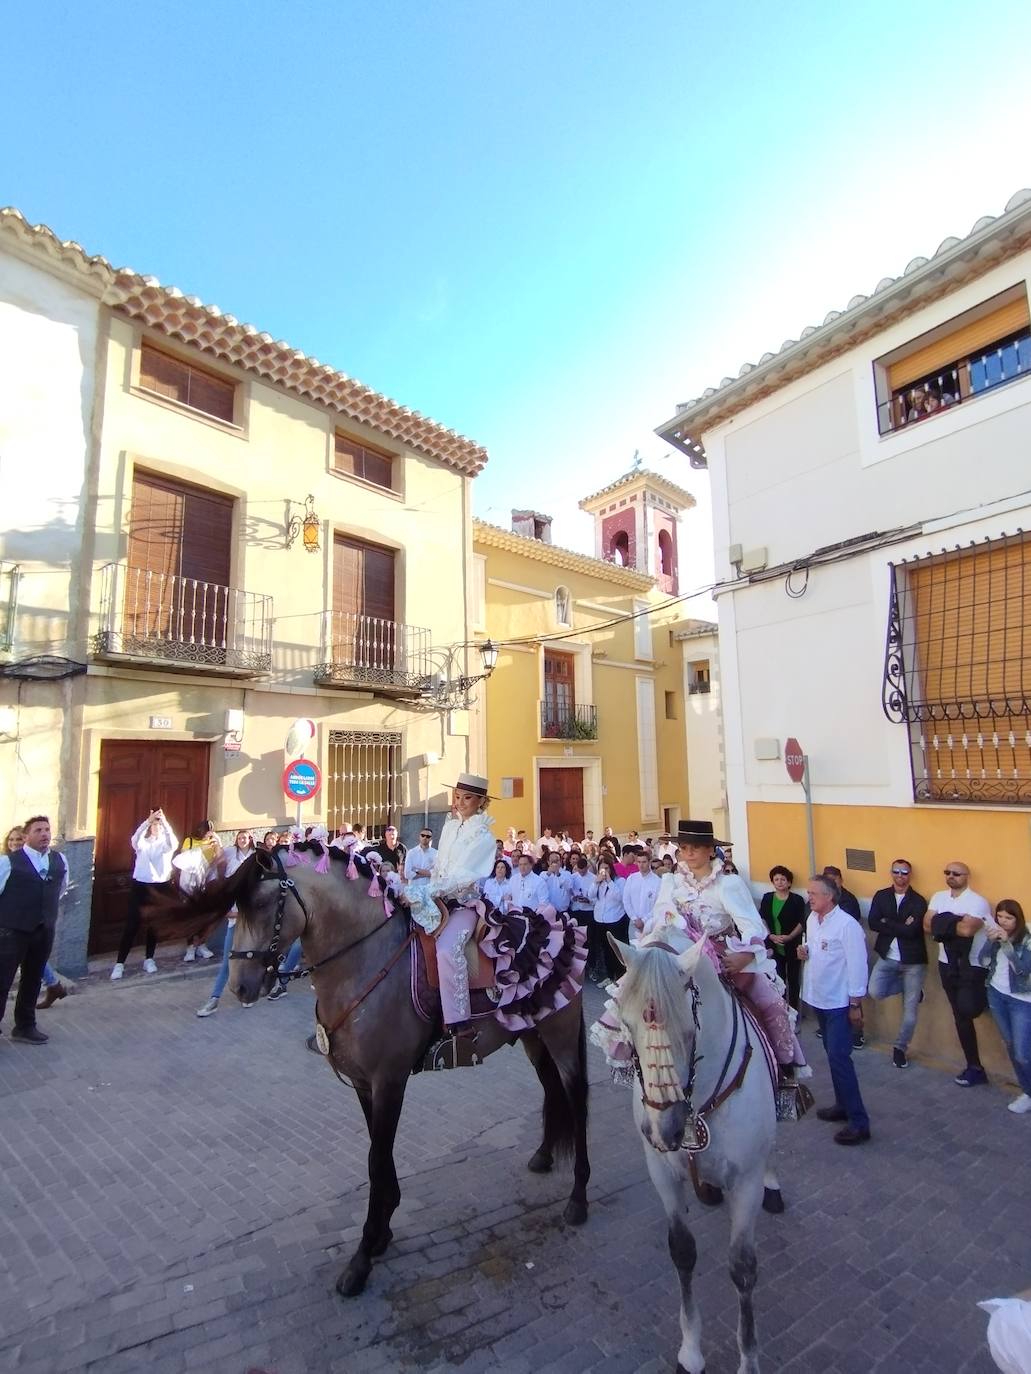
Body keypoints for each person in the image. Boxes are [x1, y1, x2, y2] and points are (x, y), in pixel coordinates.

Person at [645, 821, 807, 1077]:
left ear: (710, 850)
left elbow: (751, 924)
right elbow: (660, 917)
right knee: (636, 997)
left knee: (772, 1004)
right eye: (684, 847)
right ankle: (641, 1063)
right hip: (678, 955)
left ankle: (783, 1071)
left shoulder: (728, 884)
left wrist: (746, 954)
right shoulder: (670, 882)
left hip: (722, 956)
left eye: (696, 847)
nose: (689, 853)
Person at [407, 774, 497, 1036]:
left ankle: (460, 1023)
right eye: (457, 796)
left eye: (467, 797)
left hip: (465, 905)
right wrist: (422, 892)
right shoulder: (449, 827)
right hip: (437, 900)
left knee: (447, 949)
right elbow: (439, 868)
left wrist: (425, 891)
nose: (460, 802)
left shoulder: (484, 837)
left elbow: (461, 877)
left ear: (481, 801)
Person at [799, 874, 870, 1144]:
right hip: (820, 999)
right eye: (808, 893)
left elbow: (858, 965)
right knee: (833, 1056)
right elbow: (814, 947)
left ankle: (859, 1123)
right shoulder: (812, 919)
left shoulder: (847, 925)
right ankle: (842, 1105)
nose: (809, 897)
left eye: (813, 893)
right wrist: (804, 951)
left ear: (829, 896)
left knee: (840, 1059)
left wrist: (855, 1004)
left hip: (840, 1003)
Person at [924, 860, 994, 1086]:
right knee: (960, 1015)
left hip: (972, 966)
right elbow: (927, 925)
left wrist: (942, 922)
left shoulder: (978, 901)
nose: (951, 876)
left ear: (967, 876)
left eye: (957, 873)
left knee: (969, 1009)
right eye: (948, 872)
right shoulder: (938, 897)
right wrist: (956, 920)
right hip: (946, 963)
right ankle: (974, 1066)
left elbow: (967, 930)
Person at [0, 816, 68, 1044]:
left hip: (43, 929)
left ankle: (25, 1026)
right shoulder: (9, 862)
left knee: (32, 978)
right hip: (13, 930)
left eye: (47, 829)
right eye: (38, 830)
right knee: (2, 980)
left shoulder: (59, 860)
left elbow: (60, 890)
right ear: (26, 836)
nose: (44, 834)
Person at [866, 858, 928, 1068]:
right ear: (891, 873)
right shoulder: (881, 896)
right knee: (875, 991)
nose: (900, 875)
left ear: (910, 875)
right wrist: (901, 924)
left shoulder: (918, 901)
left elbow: (912, 931)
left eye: (904, 872)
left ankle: (900, 1048)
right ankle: (911, 989)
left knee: (910, 1014)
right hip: (887, 957)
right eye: (896, 871)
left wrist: (887, 921)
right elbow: (873, 922)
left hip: (913, 961)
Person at [111, 809, 178, 980]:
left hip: (160, 886)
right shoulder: (143, 844)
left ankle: (149, 959)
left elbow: (174, 842)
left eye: (159, 826)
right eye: (155, 826)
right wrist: (148, 821)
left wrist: (164, 822)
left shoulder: (166, 845)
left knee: (154, 925)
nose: (157, 828)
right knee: (132, 925)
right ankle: (120, 963)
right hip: (141, 885)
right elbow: (135, 839)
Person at [979, 900, 1031, 1114]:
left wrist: (1007, 944)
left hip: (1021, 1001)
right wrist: (990, 941)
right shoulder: (994, 934)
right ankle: (1027, 1092)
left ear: (1018, 919)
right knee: (1009, 1044)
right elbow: (983, 961)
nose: (1003, 922)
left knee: (1022, 1053)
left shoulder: (1027, 939)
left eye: (1008, 918)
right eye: (999, 917)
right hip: (996, 994)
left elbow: (1023, 971)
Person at [197, 830, 256, 1017]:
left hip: (250, 923)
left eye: (245, 837)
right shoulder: (231, 854)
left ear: (251, 839)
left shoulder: (255, 856)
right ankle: (214, 999)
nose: (242, 839)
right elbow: (220, 857)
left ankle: (246, 993)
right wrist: (216, 840)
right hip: (235, 923)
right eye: (240, 837)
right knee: (227, 962)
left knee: (248, 960)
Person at [759, 865, 806, 1011]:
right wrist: (771, 935)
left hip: (792, 945)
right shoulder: (767, 898)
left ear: (789, 882)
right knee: (777, 977)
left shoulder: (797, 900)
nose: (779, 882)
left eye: (783, 879)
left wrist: (790, 937)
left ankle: (793, 1009)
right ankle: (781, 1009)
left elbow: (801, 922)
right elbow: (762, 918)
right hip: (773, 945)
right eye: (776, 879)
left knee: (793, 979)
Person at [175, 821, 220, 960]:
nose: (207, 834)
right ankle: (190, 947)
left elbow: (218, 859)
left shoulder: (213, 842)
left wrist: (217, 843)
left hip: (205, 882)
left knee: (203, 917)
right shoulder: (189, 841)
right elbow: (184, 858)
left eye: (210, 831)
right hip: (189, 884)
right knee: (190, 917)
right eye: (206, 831)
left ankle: (201, 945)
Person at [590, 858, 627, 983]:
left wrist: (610, 882)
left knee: (616, 950)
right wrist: (596, 883)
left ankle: (620, 977)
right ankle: (610, 977)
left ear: (611, 869)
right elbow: (591, 895)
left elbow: (620, 897)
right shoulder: (598, 882)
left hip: (615, 919)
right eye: (602, 868)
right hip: (600, 919)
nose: (604, 871)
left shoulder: (620, 881)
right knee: (606, 949)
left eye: (606, 868)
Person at [624, 847, 661, 938]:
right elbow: (626, 900)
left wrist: (644, 920)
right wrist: (634, 918)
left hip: (650, 924)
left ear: (649, 862)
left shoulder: (657, 881)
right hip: (634, 923)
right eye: (639, 862)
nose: (641, 865)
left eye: (644, 862)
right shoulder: (631, 878)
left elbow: (657, 905)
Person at [543, 850, 573, 915]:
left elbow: (569, 887)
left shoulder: (567, 874)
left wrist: (558, 874)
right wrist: (548, 874)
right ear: (548, 862)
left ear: (560, 861)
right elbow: (540, 887)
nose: (555, 863)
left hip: (563, 911)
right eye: (552, 861)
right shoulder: (543, 874)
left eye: (557, 861)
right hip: (547, 911)